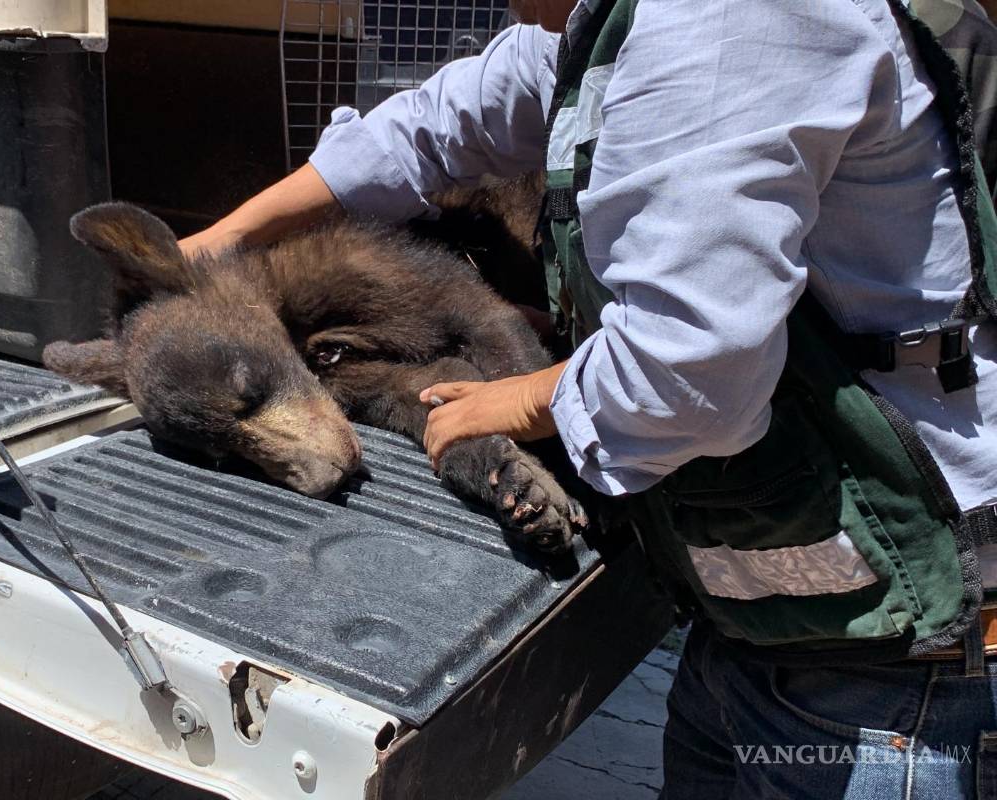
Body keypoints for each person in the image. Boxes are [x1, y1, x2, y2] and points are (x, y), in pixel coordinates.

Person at [182, 0, 997, 796]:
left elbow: (694, 376)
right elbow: (434, 125)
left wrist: (524, 397)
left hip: (892, 673)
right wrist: (210, 253)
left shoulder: (730, 21)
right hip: (766, 623)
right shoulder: (608, 31)